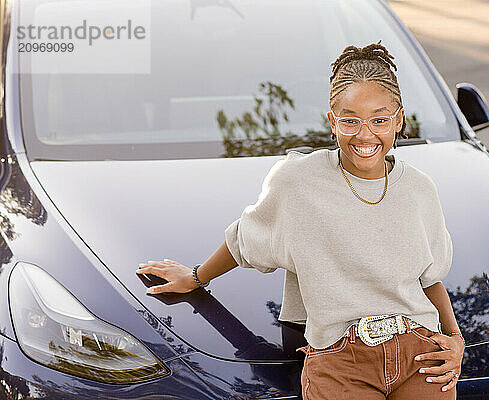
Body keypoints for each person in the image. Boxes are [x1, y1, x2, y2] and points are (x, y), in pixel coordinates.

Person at [136, 41, 464, 399]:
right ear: (332, 121)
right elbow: (246, 239)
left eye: (380, 120)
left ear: (398, 120)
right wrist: (196, 276)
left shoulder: (420, 189)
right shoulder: (298, 181)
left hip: (420, 350)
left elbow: (429, 280)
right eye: (350, 120)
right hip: (341, 357)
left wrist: (456, 340)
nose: (365, 134)